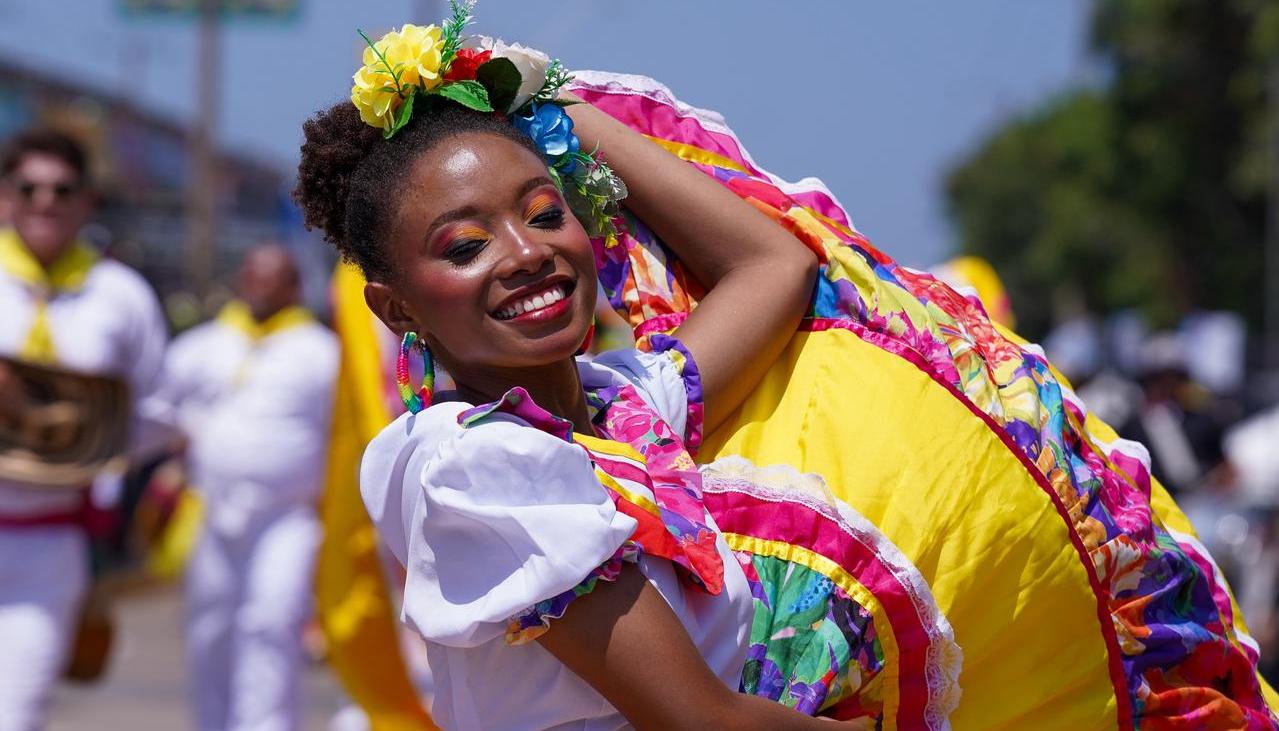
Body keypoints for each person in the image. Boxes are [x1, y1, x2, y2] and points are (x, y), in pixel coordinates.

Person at [297, 7, 1277, 729]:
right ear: (396, 307)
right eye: (463, 245)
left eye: (544, 210)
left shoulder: (618, 410)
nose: (524, 251)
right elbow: (703, 720)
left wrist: (556, 112)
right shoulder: (472, 466)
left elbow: (775, 264)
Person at [0, 128, 168, 730]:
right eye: (30, 187)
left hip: (53, 540)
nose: (46, 201)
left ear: (85, 202)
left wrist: (81, 437)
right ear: (5, 198)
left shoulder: (120, 295)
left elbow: (158, 410)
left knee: (14, 713)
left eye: (62, 189)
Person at [153, 244, 338, 731]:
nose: (258, 284)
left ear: (293, 287)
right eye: (252, 274)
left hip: (287, 517)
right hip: (212, 514)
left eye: (271, 277)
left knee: (271, 626)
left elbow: (345, 436)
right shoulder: (203, 344)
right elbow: (156, 412)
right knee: (209, 630)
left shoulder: (322, 353)